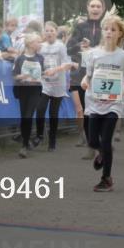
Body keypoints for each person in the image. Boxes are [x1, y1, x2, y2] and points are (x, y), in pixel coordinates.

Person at [80, 10, 124, 192]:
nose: (109, 32)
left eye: (113, 29)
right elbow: (88, 76)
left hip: (114, 103)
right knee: (92, 141)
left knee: (105, 140)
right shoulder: (93, 54)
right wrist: (84, 81)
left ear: (119, 33)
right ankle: (102, 152)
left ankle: (106, 178)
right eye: (106, 29)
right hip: (94, 102)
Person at [67, 0, 106, 150]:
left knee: (100, 108)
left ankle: (101, 139)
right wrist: (79, 46)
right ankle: (89, 139)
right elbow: (68, 48)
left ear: (103, 9)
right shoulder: (80, 27)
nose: (95, 9)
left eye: (98, 6)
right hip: (80, 73)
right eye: (92, 6)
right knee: (84, 109)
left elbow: (113, 48)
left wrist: (94, 49)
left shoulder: (107, 27)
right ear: (88, 8)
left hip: (100, 73)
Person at [36, 21, 75, 151]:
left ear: (56, 32)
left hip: (58, 83)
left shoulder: (60, 46)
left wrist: (55, 70)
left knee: (53, 113)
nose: (49, 33)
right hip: (45, 83)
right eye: (46, 31)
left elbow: (67, 64)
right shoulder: (40, 46)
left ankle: (52, 141)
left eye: (51, 31)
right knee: (40, 109)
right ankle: (40, 135)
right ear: (43, 33)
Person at [13, 32, 44, 157]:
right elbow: (14, 75)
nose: (40, 44)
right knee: (24, 117)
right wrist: (21, 76)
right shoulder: (20, 59)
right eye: (38, 42)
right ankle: (25, 141)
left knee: (28, 115)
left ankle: (24, 146)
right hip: (23, 90)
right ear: (31, 44)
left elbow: (44, 72)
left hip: (35, 90)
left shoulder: (40, 58)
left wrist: (48, 74)